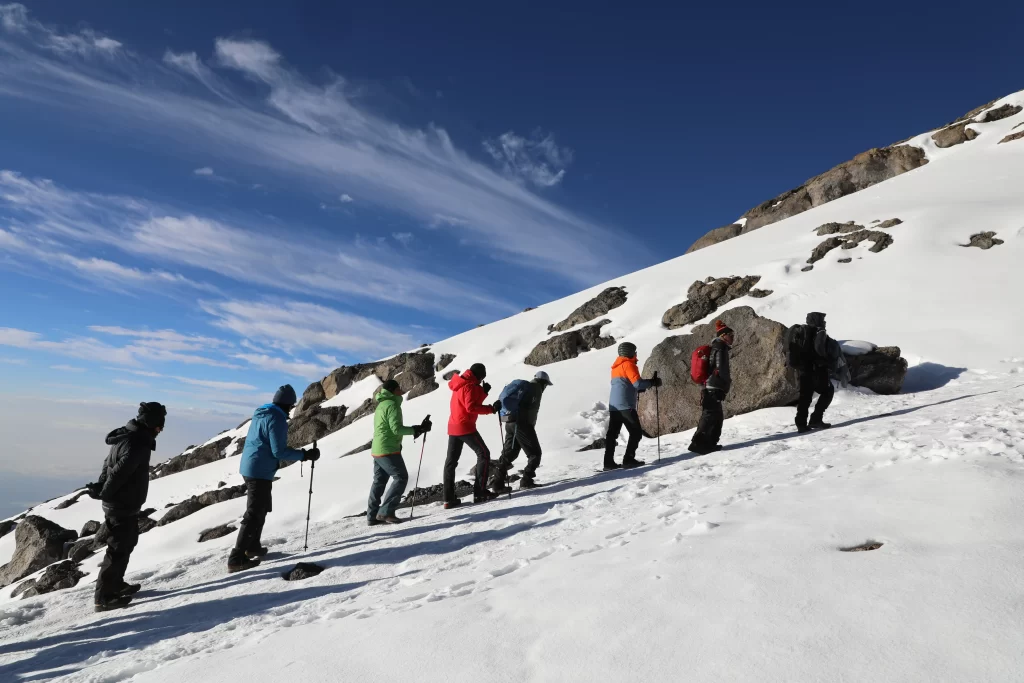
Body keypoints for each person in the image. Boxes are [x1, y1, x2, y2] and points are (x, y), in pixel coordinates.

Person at [228, 385, 319, 573]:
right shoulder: (277, 419)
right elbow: (278, 451)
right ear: (289, 405)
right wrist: (304, 455)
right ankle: (236, 558)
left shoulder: (262, 413)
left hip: (251, 466)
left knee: (261, 509)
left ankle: (252, 547)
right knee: (254, 513)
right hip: (260, 470)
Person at [88, 401, 167, 612]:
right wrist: (104, 491)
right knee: (118, 549)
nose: (162, 428)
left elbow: (108, 465)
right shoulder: (138, 442)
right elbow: (119, 473)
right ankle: (104, 597)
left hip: (121, 502)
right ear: (151, 422)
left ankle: (116, 584)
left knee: (127, 543)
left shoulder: (128, 437)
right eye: (160, 423)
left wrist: (101, 487)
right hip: (121, 503)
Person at [367, 379, 432, 526]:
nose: (401, 390)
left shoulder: (382, 404)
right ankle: (386, 512)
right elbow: (396, 429)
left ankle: (372, 516)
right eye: (398, 388)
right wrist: (416, 429)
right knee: (401, 477)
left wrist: (417, 429)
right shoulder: (392, 405)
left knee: (379, 481)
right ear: (393, 390)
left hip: (377, 449)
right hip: (388, 449)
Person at [445, 363, 502, 508]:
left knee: (451, 462)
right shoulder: (469, 386)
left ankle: (449, 498)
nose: (482, 379)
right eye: (482, 376)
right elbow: (471, 407)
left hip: (453, 426)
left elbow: (467, 402)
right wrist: (492, 409)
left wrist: (482, 392)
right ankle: (480, 492)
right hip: (465, 426)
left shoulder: (461, 383)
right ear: (479, 375)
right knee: (483, 453)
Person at [490, 371, 553, 493]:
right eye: (546, 384)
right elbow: (531, 412)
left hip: (510, 422)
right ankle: (526, 480)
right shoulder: (536, 389)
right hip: (522, 424)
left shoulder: (526, 388)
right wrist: (529, 428)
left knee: (510, 453)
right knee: (535, 453)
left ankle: (497, 483)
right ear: (543, 382)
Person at [604, 342, 661, 470]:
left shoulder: (615, 367)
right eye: (635, 351)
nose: (636, 354)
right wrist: (652, 382)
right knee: (635, 433)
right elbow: (637, 384)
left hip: (614, 406)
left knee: (612, 434)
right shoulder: (629, 365)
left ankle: (608, 463)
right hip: (626, 405)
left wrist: (643, 386)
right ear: (630, 352)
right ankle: (628, 459)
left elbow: (625, 385)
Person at [689, 321, 734, 454]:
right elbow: (721, 369)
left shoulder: (716, 346)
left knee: (714, 415)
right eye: (730, 334)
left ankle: (707, 443)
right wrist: (723, 385)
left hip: (710, 386)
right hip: (715, 386)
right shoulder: (720, 347)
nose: (733, 337)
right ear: (723, 335)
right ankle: (699, 443)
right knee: (710, 415)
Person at [792, 312, 839, 432]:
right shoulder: (819, 332)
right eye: (823, 320)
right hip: (816, 369)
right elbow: (819, 350)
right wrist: (826, 362)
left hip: (802, 369)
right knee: (828, 391)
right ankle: (816, 419)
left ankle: (801, 423)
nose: (824, 322)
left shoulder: (802, 332)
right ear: (818, 320)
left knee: (805, 397)